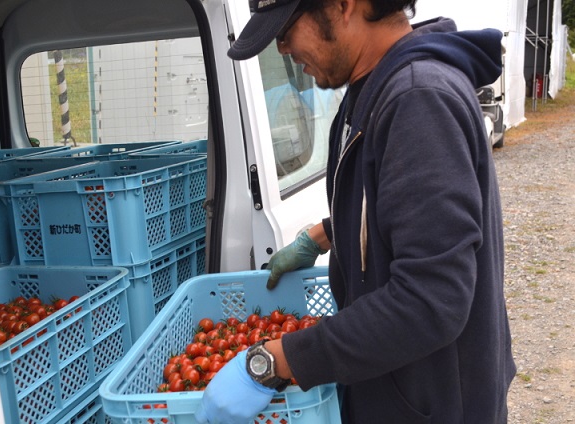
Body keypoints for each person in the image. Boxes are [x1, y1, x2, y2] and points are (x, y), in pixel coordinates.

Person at [194, 0, 516, 422]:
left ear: (344, 6)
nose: (283, 49)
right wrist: (323, 234)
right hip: (396, 390)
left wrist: (277, 360)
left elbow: (431, 301)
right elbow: (397, 206)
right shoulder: (370, 89)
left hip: (435, 403)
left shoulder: (419, 100)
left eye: (285, 31)